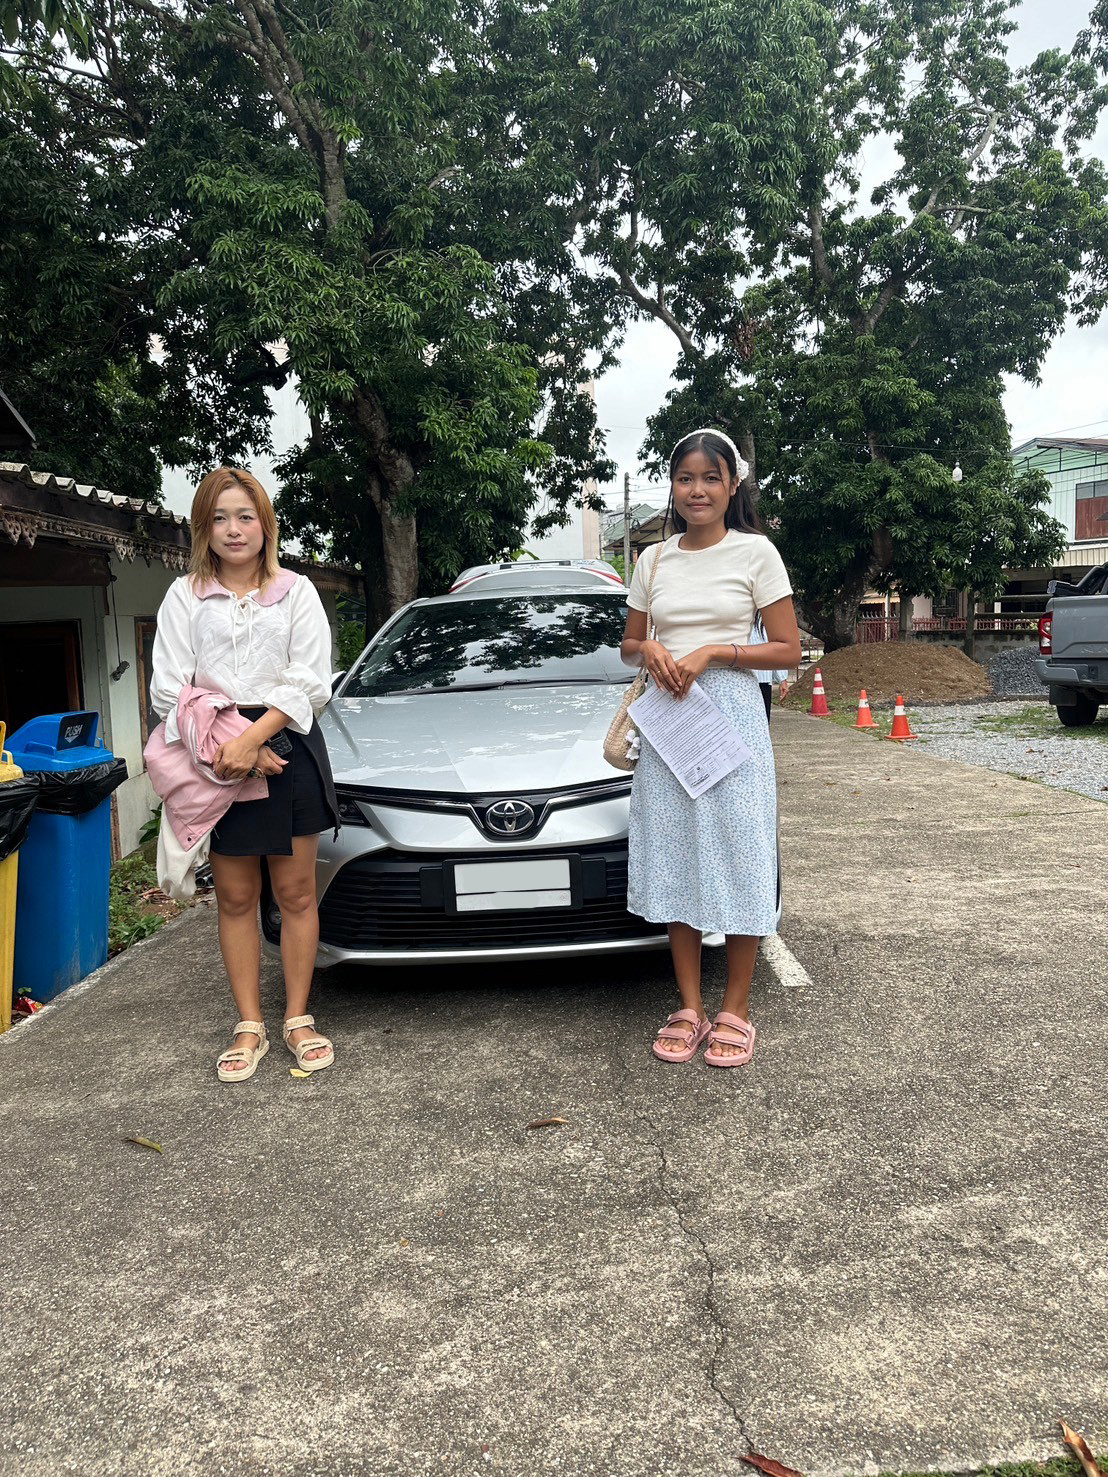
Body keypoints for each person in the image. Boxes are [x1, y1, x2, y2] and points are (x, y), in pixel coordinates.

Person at [151, 467, 341, 1082]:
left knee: (296, 893)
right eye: (219, 518)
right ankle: (249, 1024)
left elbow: (311, 679)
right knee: (234, 896)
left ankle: (298, 1018)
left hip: (287, 746)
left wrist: (256, 740)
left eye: (245, 516)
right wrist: (234, 746)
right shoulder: (185, 595)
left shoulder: (296, 591)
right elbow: (168, 690)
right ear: (203, 529)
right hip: (214, 753)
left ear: (265, 525)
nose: (233, 529)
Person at [621, 429, 801, 1067]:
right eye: (685, 478)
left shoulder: (756, 553)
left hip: (732, 715)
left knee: (741, 851)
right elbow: (629, 646)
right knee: (675, 853)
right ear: (673, 486)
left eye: (710, 478)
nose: (696, 490)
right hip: (669, 717)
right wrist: (651, 647)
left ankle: (737, 1008)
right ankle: (691, 1005)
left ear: (733, 485)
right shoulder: (653, 560)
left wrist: (714, 653)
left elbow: (788, 650)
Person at [748, 612, 791, 720]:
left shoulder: (766, 615)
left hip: (763, 678)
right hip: (741, 676)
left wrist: (782, 679)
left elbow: (775, 647)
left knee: (763, 720)